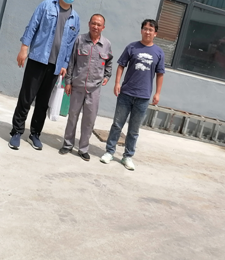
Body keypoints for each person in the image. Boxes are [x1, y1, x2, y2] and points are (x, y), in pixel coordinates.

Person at [8, 0, 81, 150]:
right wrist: (24, 48)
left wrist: (64, 64)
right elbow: (32, 26)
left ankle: (35, 134)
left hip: (55, 65)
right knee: (26, 97)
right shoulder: (46, 6)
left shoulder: (75, 18)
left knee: (43, 102)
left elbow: (70, 44)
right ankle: (17, 131)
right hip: (37, 58)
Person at [100, 19, 165, 171]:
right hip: (126, 93)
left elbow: (160, 73)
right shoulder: (132, 47)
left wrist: (157, 93)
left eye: (151, 30)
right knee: (117, 125)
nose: (147, 32)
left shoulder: (159, 52)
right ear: (141, 30)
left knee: (134, 130)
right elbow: (121, 65)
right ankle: (109, 152)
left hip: (143, 96)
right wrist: (117, 83)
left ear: (155, 33)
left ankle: (127, 156)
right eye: (145, 29)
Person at [59, 14, 113, 161]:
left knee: (89, 120)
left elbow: (109, 62)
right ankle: (68, 144)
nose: (96, 27)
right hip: (77, 86)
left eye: (99, 25)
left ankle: (83, 149)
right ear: (89, 24)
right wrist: (68, 82)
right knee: (72, 117)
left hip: (94, 89)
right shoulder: (80, 40)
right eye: (93, 23)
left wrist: (107, 76)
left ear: (103, 27)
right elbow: (71, 62)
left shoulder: (106, 44)